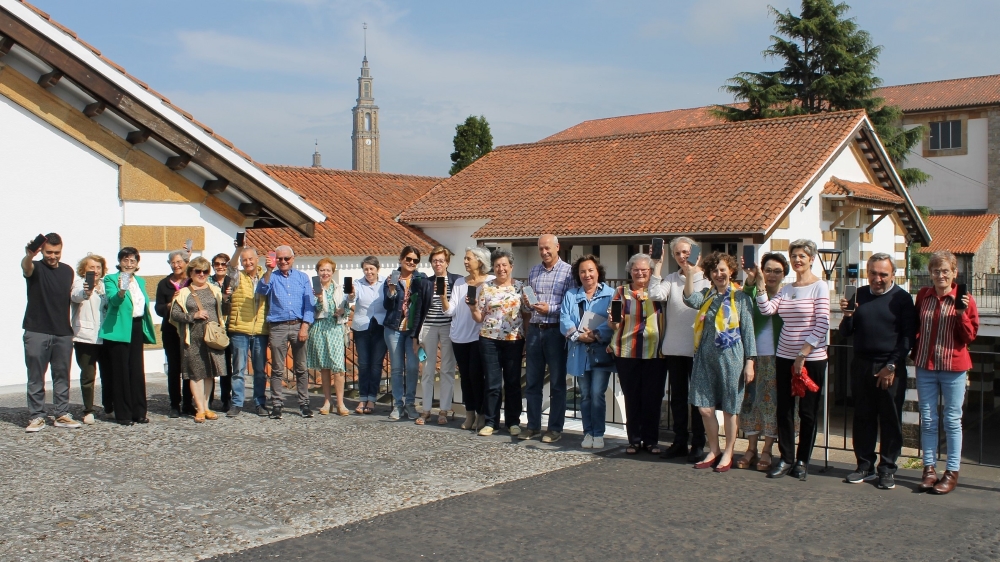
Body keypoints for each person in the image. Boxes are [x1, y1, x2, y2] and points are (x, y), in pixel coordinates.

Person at [838, 253, 918, 490]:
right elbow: (845, 332)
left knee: (890, 419)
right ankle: (864, 466)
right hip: (861, 364)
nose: (878, 278)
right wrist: (848, 316)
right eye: (873, 273)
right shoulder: (859, 294)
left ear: (893, 274)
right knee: (863, 417)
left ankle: (887, 469)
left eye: (883, 274)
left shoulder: (902, 299)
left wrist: (891, 365)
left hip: (889, 367)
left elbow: (907, 338)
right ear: (868, 273)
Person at [756, 239, 829, 481]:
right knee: (784, 410)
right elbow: (767, 310)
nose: (798, 260)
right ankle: (786, 458)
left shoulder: (820, 287)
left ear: (811, 258)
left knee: (807, 412)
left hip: (811, 359)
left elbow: (823, 323)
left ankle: (802, 461)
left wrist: (803, 354)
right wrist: (759, 286)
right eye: (795, 255)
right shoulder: (787, 288)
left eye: (802, 256)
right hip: (784, 356)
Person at [912, 250, 979, 495]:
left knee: (951, 420)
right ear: (930, 273)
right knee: (928, 420)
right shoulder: (924, 296)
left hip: (954, 367)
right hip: (926, 365)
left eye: (945, 271)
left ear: (954, 273)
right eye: (936, 271)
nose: (940, 275)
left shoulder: (965, 299)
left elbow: (970, 336)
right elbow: (916, 325)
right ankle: (929, 470)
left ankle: (951, 472)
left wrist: (961, 315)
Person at [683, 252, 756, 473]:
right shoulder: (707, 296)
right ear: (709, 275)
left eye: (723, 269)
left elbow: (748, 331)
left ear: (731, 271)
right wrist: (688, 273)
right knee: (705, 408)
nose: (719, 274)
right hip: (705, 358)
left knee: (730, 409)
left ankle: (728, 451)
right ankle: (713, 449)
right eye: (714, 271)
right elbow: (688, 298)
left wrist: (750, 361)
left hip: (731, 358)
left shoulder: (741, 298)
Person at [649, 236, 711, 462]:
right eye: (678, 254)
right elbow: (655, 294)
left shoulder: (708, 280)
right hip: (675, 347)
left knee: (697, 400)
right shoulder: (672, 278)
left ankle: (698, 442)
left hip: (698, 350)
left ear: (696, 253)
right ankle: (679, 440)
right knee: (677, 398)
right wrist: (657, 265)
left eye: (686, 252)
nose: (683, 257)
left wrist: (693, 273)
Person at [608, 253, 667, 455]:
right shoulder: (620, 292)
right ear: (630, 271)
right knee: (632, 397)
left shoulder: (658, 292)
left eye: (645, 270)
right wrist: (613, 322)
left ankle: (651, 441)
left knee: (653, 397)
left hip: (656, 353)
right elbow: (614, 321)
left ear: (651, 272)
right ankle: (634, 440)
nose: (640, 273)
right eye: (636, 269)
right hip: (627, 351)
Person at [22, 232, 81, 432]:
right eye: (48, 252)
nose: (52, 256)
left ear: (61, 250)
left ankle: (61, 414)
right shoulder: (35, 267)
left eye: (56, 252)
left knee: (62, 376)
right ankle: (37, 416)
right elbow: (26, 267)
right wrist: (30, 255)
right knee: (36, 376)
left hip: (63, 332)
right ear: (42, 251)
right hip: (36, 330)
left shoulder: (68, 271)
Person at [736, 252, 788, 471]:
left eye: (777, 271)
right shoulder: (754, 291)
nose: (772, 275)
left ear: (784, 274)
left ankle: (767, 449)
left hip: (778, 356)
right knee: (750, 402)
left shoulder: (787, 295)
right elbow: (745, 293)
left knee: (771, 405)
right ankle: (751, 448)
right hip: (752, 356)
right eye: (768, 270)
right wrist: (751, 277)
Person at [520, 234, 573, 443]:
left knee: (558, 383)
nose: (544, 252)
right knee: (532, 382)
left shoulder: (568, 272)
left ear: (557, 247)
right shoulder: (533, 271)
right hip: (534, 329)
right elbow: (527, 307)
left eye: (548, 248)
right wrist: (526, 303)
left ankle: (554, 429)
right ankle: (532, 426)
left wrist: (550, 308)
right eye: (541, 249)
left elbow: (570, 307)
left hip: (556, 331)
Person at [559, 255, 614, 449]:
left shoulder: (611, 294)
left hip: (600, 351)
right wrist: (576, 335)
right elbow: (564, 318)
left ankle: (598, 433)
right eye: (583, 271)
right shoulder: (571, 295)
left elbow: (614, 320)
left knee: (598, 392)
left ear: (598, 272)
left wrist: (597, 334)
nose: (587, 274)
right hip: (579, 351)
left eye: (591, 270)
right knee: (585, 394)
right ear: (578, 274)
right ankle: (588, 432)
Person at [469, 250, 526, 436]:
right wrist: (472, 308)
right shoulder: (486, 288)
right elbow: (479, 317)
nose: (501, 269)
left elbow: (526, 314)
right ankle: (491, 421)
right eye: (497, 265)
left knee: (512, 382)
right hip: (489, 340)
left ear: (511, 267)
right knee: (492, 383)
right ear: (493, 268)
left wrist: (527, 339)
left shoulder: (520, 288)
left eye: (504, 265)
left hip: (514, 340)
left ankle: (513, 422)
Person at [99, 247, 157, 426]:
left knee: (136, 370)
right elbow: (113, 301)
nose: (129, 264)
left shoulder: (139, 281)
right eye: (125, 260)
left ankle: (139, 412)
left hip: (137, 326)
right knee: (120, 371)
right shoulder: (110, 279)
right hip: (118, 329)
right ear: (120, 262)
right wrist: (121, 290)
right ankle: (123, 413)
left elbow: (143, 304)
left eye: (133, 261)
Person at [257, 245, 315, 420]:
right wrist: (268, 270)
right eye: (279, 259)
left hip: (298, 325)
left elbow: (309, 304)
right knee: (277, 368)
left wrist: (305, 326)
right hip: (278, 326)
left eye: (286, 259)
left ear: (293, 259)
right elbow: (261, 290)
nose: (283, 262)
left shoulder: (302, 277)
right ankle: (277, 404)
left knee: (301, 367)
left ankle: (304, 403)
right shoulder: (272, 277)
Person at [170, 257, 229, 423]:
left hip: (212, 337)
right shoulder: (183, 293)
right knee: (196, 374)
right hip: (193, 338)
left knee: (210, 373)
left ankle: (207, 407)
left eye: (205, 271)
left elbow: (224, 311)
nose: (202, 274)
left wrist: (227, 299)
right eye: (198, 271)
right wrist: (193, 315)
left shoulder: (214, 289)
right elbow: (174, 314)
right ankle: (199, 409)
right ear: (191, 273)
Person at [442, 247, 493, 431]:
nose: (465, 261)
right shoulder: (459, 284)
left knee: (477, 375)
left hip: (480, 335)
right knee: (465, 377)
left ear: (479, 261)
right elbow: (450, 310)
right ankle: (469, 412)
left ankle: (481, 413)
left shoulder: (491, 282)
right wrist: (443, 297)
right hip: (459, 336)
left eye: (468, 258)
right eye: (464, 258)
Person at [414, 246, 463, 425]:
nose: (438, 264)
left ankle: (443, 409)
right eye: (435, 261)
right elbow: (419, 310)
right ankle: (426, 410)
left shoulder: (456, 281)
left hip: (449, 328)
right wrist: (415, 336)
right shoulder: (426, 282)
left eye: (441, 260)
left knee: (448, 369)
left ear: (447, 262)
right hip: (428, 327)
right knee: (427, 368)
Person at [383, 246, 427, 421]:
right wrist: (392, 290)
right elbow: (387, 306)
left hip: (412, 330)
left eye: (415, 260)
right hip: (393, 328)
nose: (411, 263)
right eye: (408, 259)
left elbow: (424, 303)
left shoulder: (421, 278)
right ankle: (398, 404)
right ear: (401, 259)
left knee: (413, 367)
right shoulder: (392, 278)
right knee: (396, 368)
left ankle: (410, 403)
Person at [227, 246, 269, 417]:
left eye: (250, 259)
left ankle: (260, 402)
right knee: (238, 369)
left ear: (257, 259)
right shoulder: (238, 277)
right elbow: (230, 267)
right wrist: (238, 250)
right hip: (239, 329)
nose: (248, 262)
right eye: (244, 260)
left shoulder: (265, 276)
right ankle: (237, 403)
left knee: (260, 369)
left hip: (260, 329)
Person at [71, 254, 110, 425]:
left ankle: (109, 407)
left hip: (105, 335)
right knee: (88, 374)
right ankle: (88, 409)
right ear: (84, 270)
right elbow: (76, 296)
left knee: (108, 373)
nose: (95, 271)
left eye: (98, 267)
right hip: (85, 337)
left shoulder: (105, 286)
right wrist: (87, 292)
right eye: (91, 268)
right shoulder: (80, 283)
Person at [308, 258, 350, 416]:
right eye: (322, 270)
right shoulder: (313, 289)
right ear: (317, 272)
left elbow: (347, 308)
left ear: (333, 272)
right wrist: (319, 297)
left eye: (328, 270)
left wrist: (342, 311)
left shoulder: (339, 289)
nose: (325, 273)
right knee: (324, 367)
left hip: (335, 327)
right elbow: (316, 308)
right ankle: (327, 401)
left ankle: (341, 402)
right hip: (319, 327)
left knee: (338, 367)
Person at [155, 250, 193, 417]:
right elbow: (159, 308)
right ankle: (174, 404)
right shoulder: (164, 284)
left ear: (185, 263)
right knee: (174, 367)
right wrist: (171, 303)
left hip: (189, 330)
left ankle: (188, 403)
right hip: (170, 330)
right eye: (173, 262)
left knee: (189, 367)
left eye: (179, 262)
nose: (176, 265)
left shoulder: (192, 281)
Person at [349, 256, 387, 415]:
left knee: (376, 364)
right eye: (366, 269)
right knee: (364, 363)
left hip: (380, 326)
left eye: (371, 269)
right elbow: (351, 299)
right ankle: (362, 397)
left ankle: (372, 398)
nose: (369, 272)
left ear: (377, 269)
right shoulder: (357, 284)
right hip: (362, 326)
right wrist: (350, 294)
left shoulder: (386, 283)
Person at [208, 252, 234, 413]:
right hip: (212, 327)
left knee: (226, 365)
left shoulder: (232, 281)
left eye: (223, 264)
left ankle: (226, 398)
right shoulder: (208, 281)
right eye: (217, 264)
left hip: (230, 326)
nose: (220, 267)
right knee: (210, 364)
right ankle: (208, 398)